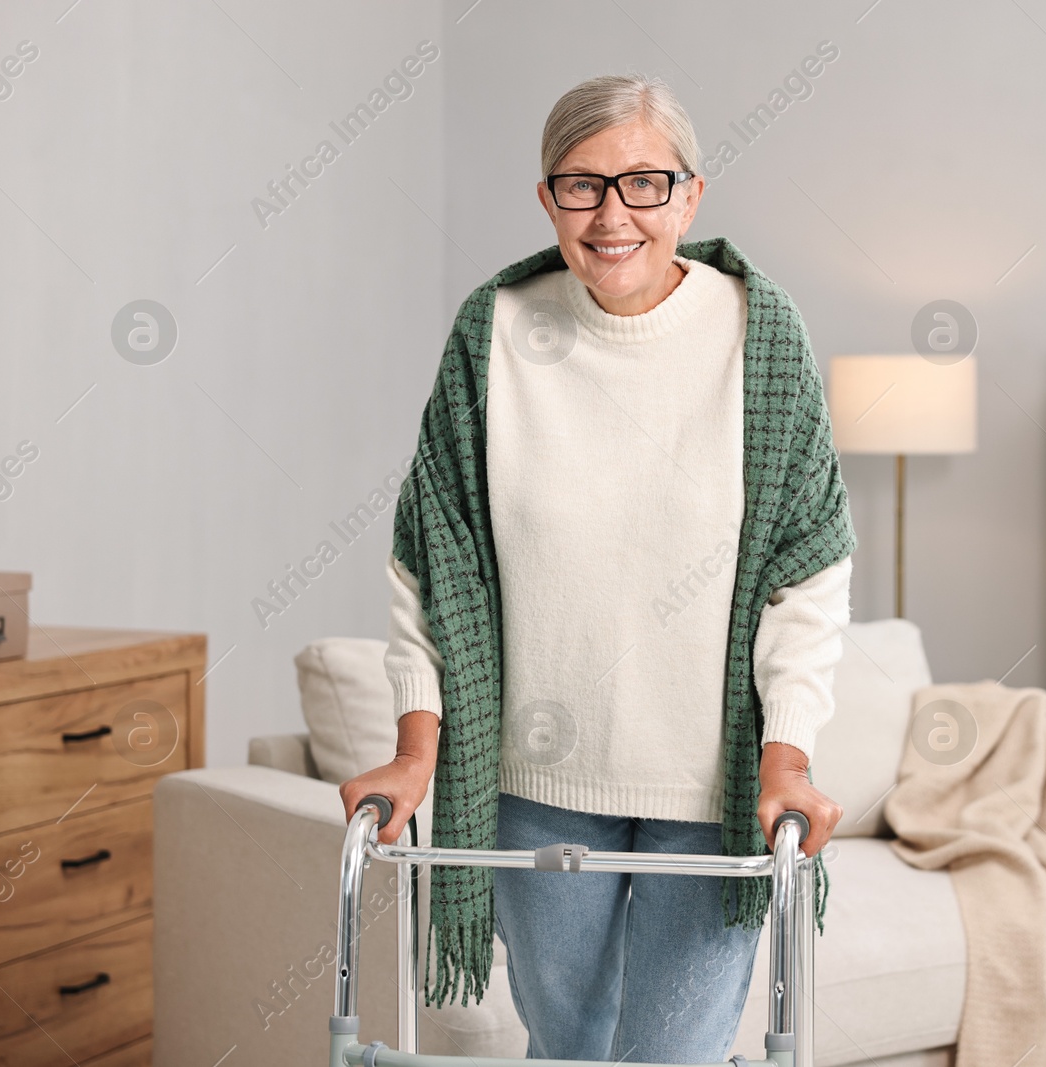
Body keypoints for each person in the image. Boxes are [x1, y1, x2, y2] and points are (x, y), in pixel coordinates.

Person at [340, 72, 856, 1063]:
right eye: (580, 185)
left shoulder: (760, 332)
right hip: (535, 782)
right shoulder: (493, 332)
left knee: (672, 1054)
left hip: (711, 793)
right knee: (567, 1046)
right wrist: (415, 751)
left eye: (644, 183)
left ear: (691, 196)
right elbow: (432, 555)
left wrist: (786, 754)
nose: (612, 215)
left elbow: (806, 565)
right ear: (546, 198)